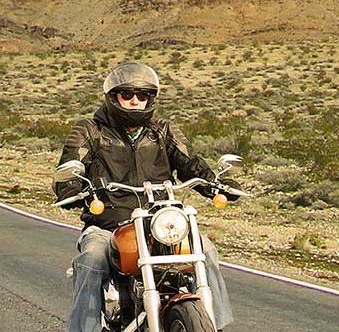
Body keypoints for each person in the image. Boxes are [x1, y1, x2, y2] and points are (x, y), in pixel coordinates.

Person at [54, 62, 236, 332]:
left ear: (151, 98)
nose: (135, 101)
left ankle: (215, 325)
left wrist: (215, 184)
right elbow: (70, 164)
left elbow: (189, 163)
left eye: (143, 95)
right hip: (108, 223)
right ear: (113, 97)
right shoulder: (90, 130)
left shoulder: (163, 130)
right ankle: (84, 328)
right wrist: (72, 186)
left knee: (205, 250)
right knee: (92, 258)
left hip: (159, 223)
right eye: (127, 95)